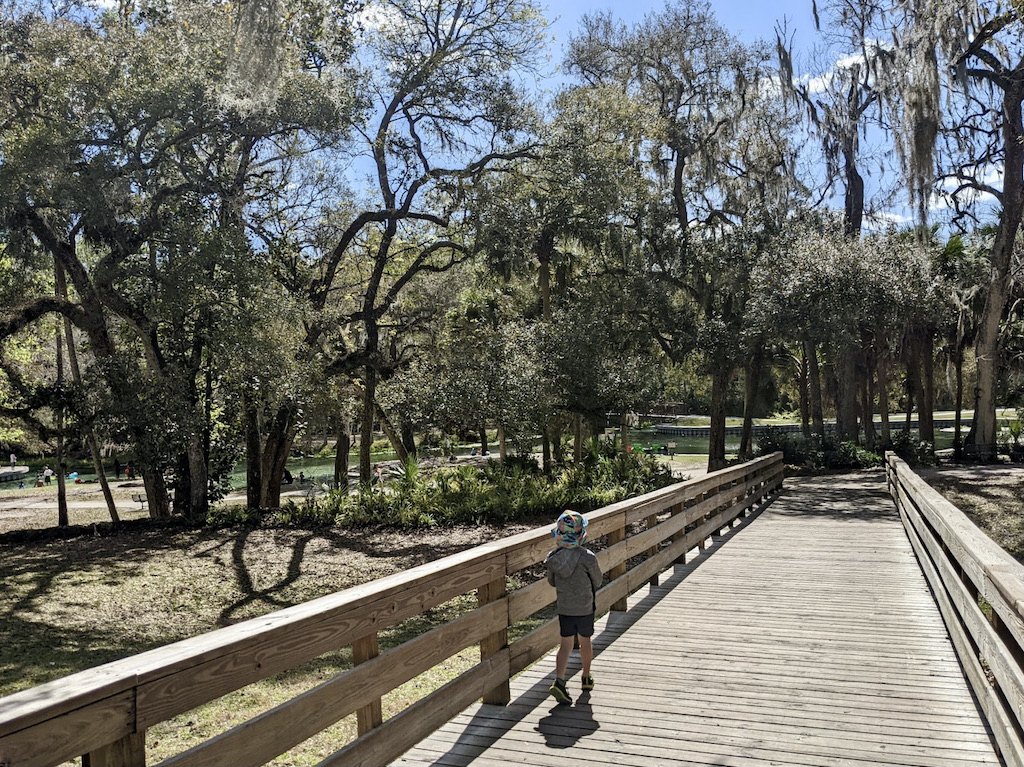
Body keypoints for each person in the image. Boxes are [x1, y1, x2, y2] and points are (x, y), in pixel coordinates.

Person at [544, 510, 602, 705]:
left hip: (565, 608)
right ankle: (586, 677)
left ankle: (559, 680)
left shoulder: (553, 558)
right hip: (585, 607)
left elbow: (552, 582)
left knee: (565, 644)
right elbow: (598, 580)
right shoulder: (588, 557)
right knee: (585, 641)